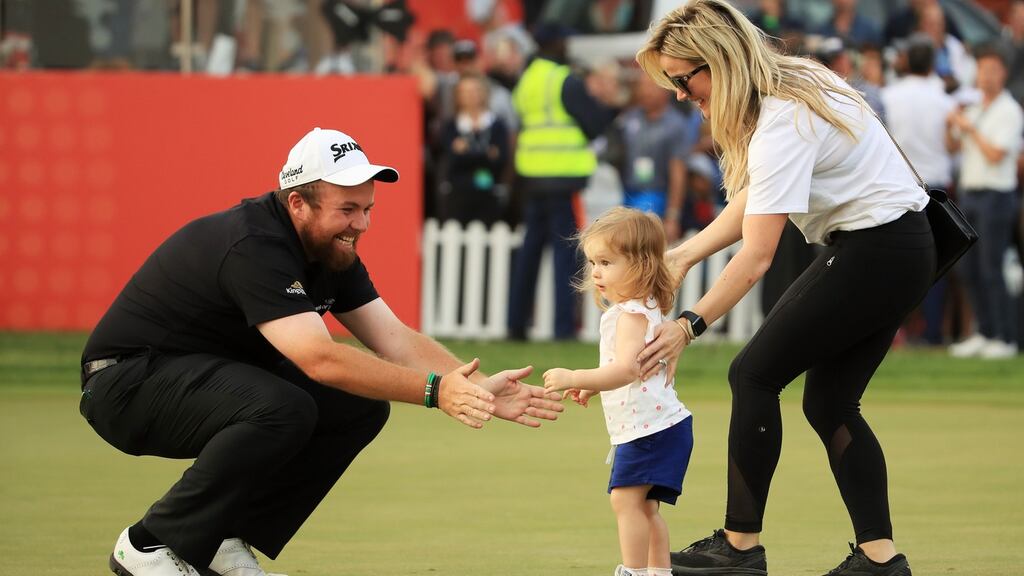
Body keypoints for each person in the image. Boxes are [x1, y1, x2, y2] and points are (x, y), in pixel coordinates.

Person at [79, 127, 564, 576]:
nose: (362, 223)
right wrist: (437, 392)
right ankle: (149, 543)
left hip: (197, 377)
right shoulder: (255, 243)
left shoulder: (333, 249)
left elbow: (394, 339)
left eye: (367, 208)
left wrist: (475, 387)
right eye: (348, 209)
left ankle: (225, 538)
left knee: (356, 408)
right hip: (126, 384)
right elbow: (320, 358)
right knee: (285, 407)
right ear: (298, 203)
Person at [634, 1, 935, 574]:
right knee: (828, 401)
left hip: (878, 250)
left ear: (717, 62)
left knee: (752, 373)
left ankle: (740, 547)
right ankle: (880, 559)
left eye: (681, 79)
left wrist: (687, 325)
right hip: (898, 248)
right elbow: (757, 198)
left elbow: (757, 256)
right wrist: (683, 256)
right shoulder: (796, 81)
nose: (679, 94)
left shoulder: (780, 116)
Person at [542, 207, 693, 576]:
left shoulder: (630, 315)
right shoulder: (644, 308)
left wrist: (576, 377)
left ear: (641, 265)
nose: (596, 272)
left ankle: (635, 571)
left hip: (648, 431)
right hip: (663, 427)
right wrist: (595, 388)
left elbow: (626, 369)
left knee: (625, 502)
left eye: (607, 262)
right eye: (593, 262)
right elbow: (631, 369)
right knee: (645, 508)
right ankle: (659, 572)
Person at [507, 22, 616, 340]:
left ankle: (515, 325)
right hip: (563, 177)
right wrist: (607, 104)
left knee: (529, 254)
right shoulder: (565, 80)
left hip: (532, 175)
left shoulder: (526, 80)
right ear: (555, 44)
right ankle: (563, 328)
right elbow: (595, 125)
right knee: (564, 255)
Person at [946, 44, 1023, 359]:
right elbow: (951, 147)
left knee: (992, 268)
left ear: (1003, 74)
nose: (986, 76)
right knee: (969, 268)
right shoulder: (973, 107)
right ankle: (985, 331)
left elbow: (996, 154)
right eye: (982, 69)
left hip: (996, 195)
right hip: (970, 193)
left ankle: (1005, 338)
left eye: (992, 70)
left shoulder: (1010, 110)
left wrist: (969, 128)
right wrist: (953, 122)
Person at [882, 37, 957, 346]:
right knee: (935, 260)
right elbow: (952, 143)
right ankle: (931, 331)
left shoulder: (889, 95)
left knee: (894, 261)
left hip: (899, 183)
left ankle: (895, 331)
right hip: (936, 186)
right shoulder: (944, 99)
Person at [438, 73, 511, 225]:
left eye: (475, 90)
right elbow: (452, 159)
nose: (471, 96)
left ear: (484, 93)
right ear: (457, 96)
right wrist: (486, 154)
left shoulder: (497, 126)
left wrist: (466, 153)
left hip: (489, 195)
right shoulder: (451, 126)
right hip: (458, 196)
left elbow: (501, 159)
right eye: (465, 92)